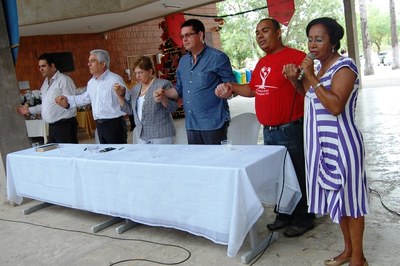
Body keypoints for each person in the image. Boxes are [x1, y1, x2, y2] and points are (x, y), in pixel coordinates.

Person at [215, 18, 315, 237]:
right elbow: (252, 90)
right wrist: (232, 87)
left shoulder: (297, 57)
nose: (260, 36)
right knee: (279, 175)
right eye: (257, 32)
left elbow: (309, 91)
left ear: (278, 32)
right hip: (269, 131)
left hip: (291, 128)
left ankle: (304, 217)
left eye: (265, 30)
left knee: (297, 173)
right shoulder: (262, 63)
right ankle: (285, 214)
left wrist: (294, 80)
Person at [284, 17, 369, 266]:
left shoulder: (345, 67)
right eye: (310, 39)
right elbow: (310, 95)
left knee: (352, 203)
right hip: (322, 145)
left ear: (333, 41)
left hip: (343, 145)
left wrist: (310, 75)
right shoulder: (318, 68)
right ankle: (347, 251)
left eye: (319, 39)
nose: (312, 44)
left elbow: (334, 105)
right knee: (338, 200)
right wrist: (295, 80)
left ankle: (359, 258)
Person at [161, 18, 236, 144]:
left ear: (200, 35)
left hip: (213, 124)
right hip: (191, 125)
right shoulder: (183, 62)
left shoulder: (217, 58)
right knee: (198, 162)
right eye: (182, 36)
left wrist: (228, 91)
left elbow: (233, 86)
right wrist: (163, 92)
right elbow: (179, 89)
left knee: (215, 162)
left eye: (188, 35)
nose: (184, 39)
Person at [56, 49, 127, 144]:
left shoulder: (114, 79)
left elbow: (126, 99)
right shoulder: (91, 82)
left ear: (103, 64)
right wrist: (67, 100)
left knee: (117, 156)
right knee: (104, 157)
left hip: (114, 125)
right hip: (100, 126)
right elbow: (84, 98)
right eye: (88, 61)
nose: (88, 64)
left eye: (92, 61)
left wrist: (122, 93)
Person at [16, 53, 78, 144]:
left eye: (43, 66)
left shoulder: (64, 80)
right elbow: (46, 105)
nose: (41, 69)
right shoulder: (45, 83)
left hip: (65, 125)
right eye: (39, 66)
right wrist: (29, 110)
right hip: (52, 127)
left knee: (68, 155)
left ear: (52, 66)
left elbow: (71, 103)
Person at [114, 56, 178, 144]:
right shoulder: (135, 89)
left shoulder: (163, 84)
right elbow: (130, 110)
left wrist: (163, 99)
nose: (137, 76)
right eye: (136, 73)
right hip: (142, 136)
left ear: (150, 71)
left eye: (140, 72)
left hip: (162, 135)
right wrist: (119, 96)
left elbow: (173, 107)